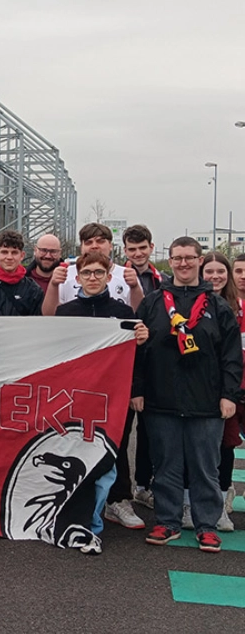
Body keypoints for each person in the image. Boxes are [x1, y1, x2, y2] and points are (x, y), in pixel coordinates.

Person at [134, 237, 242, 553]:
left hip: (207, 402)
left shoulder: (218, 306)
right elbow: (137, 350)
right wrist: (137, 389)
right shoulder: (153, 303)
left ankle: (206, 525)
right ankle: (167, 521)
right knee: (166, 466)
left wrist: (228, 395)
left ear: (199, 260)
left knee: (205, 467)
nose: (183, 263)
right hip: (160, 399)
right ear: (170, 261)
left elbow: (231, 356)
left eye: (189, 258)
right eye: (177, 258)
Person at [55, 251, 149, 555]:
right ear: (78, 277)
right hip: (76, 396)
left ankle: (95, 517)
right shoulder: (65, 312)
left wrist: (142, 338)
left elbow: (134, 358)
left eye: (98, 273)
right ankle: (72, 514)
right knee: (75, 455)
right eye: (87, 273)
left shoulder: (121, 311)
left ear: (109, 277)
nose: (92, 278)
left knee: (108, 456)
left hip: (111, 398)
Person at [198, 251, 244, 532]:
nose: (215, 277)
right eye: (209, 271)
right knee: (214, 447)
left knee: (227, 448)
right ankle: (210, 502)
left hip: (235, 387)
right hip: (210, 389)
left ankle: (225, 494)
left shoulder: (237, 307)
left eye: (221, 272)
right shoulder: (193, 304)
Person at [121, 224, 161, 512]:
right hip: (119, 359)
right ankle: (119, 491)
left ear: (151, 247)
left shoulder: (164, 280)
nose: (137, 253)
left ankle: (144, 485)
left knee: (149, 431)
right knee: (120, 432)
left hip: (152, 360)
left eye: (142, 248)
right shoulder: (113, 276)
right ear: (124, 250)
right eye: (131, 249)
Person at [43, 223, 144, 316]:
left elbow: (139, 315)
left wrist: (134, 287)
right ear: (81, 247)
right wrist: (53, 285)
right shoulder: (66, 274)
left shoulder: (126, 275)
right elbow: (49, 316)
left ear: (110, 246)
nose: (94, 246)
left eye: (100, 241)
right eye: (88, 242)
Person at [0, 230, 43, 316]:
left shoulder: (33, 290)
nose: (9, 257)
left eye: (14, 252)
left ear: (22, 255)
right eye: (4, 252)